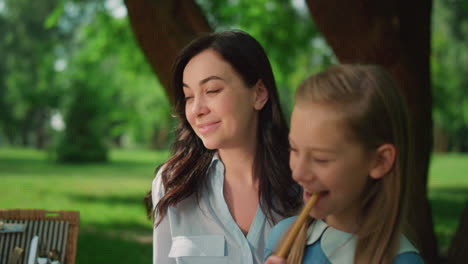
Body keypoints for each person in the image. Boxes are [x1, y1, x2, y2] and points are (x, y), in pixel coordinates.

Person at [145, 30, 302, 264]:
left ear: (258, 94)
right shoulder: (171, 183)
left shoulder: (304, 181)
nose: (197, 109)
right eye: (188, 96)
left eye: (212, 91)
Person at [264, 64, 424, 263]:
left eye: (321, 159)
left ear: (380, 161)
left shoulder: (403, 261)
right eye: (294, 149)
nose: (298, 174)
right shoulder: (281, 237)